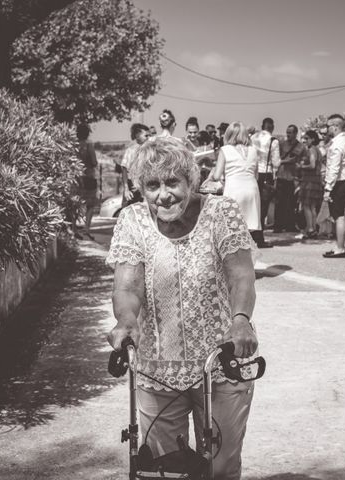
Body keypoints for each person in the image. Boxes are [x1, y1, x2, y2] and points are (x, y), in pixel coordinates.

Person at [106, 137, 258, 480]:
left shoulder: (222, 213)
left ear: (191, 180)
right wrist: (126, 321)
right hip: (156, 368)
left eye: (173, 182)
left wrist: (241, 321)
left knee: (219, 466)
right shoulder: (132, 220)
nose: (164, 195)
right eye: (153, 185)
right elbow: (127, 286)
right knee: (163, 468)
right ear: (140, 188)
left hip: (221, 362)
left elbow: (241, 277)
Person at [208, 122, 262, 244]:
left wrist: (210, 174)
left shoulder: (225, 150)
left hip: (234, 190)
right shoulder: (253, 150)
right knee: (248, 230)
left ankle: (235, 258)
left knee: (232, 228)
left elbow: (217, 176)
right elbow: (256, 175)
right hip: (252, 190)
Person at [322, 114, 345, 258]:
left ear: (336, 126)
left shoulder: (337, 144)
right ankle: (339, 245)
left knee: (338, 215)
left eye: (329, 126)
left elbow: (334, 168)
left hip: (339, 182)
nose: (327, 129)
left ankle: (340, 248)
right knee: (339, 214)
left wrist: (328, 189)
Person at [251, 117, 281, 248]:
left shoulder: (253, 138)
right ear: (272, 127)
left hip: (253, 174)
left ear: (262, 126)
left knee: (254, 206)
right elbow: (276, 162)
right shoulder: (273, 141)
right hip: (266, 174)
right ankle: (259, 237)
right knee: (263, 208)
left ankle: (251, 235)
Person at [275, 124, 307, 233]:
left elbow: (303, 160)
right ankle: (278, 226)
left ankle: (290, 225)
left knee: (291, 203)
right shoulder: (281, 144)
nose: (288, 134)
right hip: (281, 175)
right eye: (287, 132)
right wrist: (286, 161)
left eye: (290, 132)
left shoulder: (301, 146)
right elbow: (277, 158)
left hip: (293, 177)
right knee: (279, 202)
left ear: (295, 133)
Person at [299, 130, 323, 239]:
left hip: (309, 181)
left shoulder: (312, 150)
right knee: (312, 206)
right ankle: (313, 228)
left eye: (307, 138)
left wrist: (301, 166)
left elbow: (312, 165)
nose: (304, 140)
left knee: (306, 205)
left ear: (312, 139)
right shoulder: (318, 150)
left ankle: (310, 229)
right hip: (315, 180)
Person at [76, 124, 99, 240]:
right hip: (89, 177)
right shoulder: (89, 145)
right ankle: (86, 229)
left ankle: (74, 229)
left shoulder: (74, 145)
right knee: (90, 205)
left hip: (77, 177)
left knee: (76, 203)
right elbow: (94, 162)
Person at [121, 123, 150, 207]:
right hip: (133, 189)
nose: (148, 138)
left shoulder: (149, 150)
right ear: (138, 136)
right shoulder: (131, 151)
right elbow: (124, 169)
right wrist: (126, 189)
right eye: (146, 136)